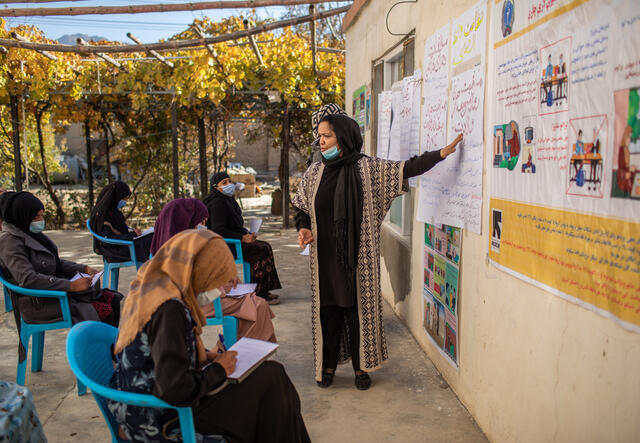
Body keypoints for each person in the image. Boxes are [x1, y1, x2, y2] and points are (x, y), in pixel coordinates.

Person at [293, 114, 461, 390]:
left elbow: (406, 168)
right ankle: (329, 365)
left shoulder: (367, 169)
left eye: (327, 136)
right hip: (324, 257)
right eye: (320, 136)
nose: (321, 142)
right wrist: (304, 228)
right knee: (328, 311)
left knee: (355, 311)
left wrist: (440, 154)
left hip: (359, 257)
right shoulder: (315, 172)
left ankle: (361, 368)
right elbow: (301, 207)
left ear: (344, 138)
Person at [108, 230, 309, 443]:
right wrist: (220, 370)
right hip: (161, 417)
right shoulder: (170, 309)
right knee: (271, 384)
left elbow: (158, 349)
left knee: (270, 377)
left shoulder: (156, 287)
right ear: (198, 271)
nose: (218, 289)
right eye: (216, 279)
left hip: (145, 403)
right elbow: (174, 389)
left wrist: (204, 355)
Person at [151, 198, 277, 342]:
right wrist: (224, 288)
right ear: (186, 221)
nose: (204, 225)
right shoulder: (180, 252)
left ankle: (240, 350)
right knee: (257, 305)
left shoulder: (173, 243)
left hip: (204, 297)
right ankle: (246, 355)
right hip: (196, 304)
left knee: (251, 302)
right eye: (201, 221)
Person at [0, 192, 121, 332]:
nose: (40, 220)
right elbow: (28, 279)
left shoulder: (28, 232)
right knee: (100, 309)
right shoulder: (9, 242)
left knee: (111, 299)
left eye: (41, 215)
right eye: (36, 217)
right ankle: (94, 350)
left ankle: (109, 348)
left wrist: (83, 268)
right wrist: (70, 286)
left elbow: (53, 261)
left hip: (52, 293)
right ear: (21, 216)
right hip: (38, 302)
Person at [203, 172, 282, 305]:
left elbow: (233, 226)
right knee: (260, 250)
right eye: (224, 183)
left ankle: (264, 290)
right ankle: (259, 294)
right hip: (226, 246)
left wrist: (247, 234)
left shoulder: (227, 200)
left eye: (229, 181)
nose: (229, 185)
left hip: (235, 241)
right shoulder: (217, 203)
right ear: (216, 187)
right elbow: (218, 231)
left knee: (265, 246)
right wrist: (242, 238)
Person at [90, 181, 153, 263]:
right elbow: (108, 240)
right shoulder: (103, 215)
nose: (125, 202)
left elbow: (118, 233)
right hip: (114, 252)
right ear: (116, 197)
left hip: (121, 247)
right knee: (150, 242)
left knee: (153, 236)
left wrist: (133, 234)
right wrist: (132, 235)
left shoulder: (113, 212)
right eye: (124, 199)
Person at [617, 125, 636, 195]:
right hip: (622, 180)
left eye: (630, 137)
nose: (629, 140)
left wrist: (631, 169)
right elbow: (621, 169)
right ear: (625, 137)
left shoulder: (626, 149)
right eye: (628, 137)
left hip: (626, 175)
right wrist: (630, 170)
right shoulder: (622, 150)